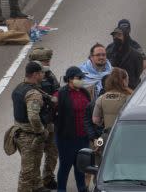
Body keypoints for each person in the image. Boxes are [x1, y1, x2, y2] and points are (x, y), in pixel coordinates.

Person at [12, 61, 50, 192]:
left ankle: (37, 186)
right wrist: (41, 131)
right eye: (41, 72)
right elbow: (33, 116)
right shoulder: (33, 94)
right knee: (27, 170)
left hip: (19, 132)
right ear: (35, 74)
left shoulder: (19, 87)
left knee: (35, 163)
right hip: (30, 136)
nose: (43, 75)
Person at [53, 67, 92, 192]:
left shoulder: (84, 92)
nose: (81, 80)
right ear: (70, 79)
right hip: (66, 138)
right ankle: (61, 189)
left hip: (83, 137)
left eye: (82, 78)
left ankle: (82, 188)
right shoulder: (61, 94)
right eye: (78, 78)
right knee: (65, 166)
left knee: (81, 165)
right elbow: (53, 113)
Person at [29, 48, 60, 189]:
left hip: (51, 120)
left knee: (53, 152)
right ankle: (35, 183)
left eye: (48, 60)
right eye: (44, 60)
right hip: (39, 122)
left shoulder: (49, 74)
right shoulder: (34, 79)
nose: (48, 62)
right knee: (36, 155)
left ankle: (48, 177)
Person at [91, 69, 132, 149]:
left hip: (107, 136)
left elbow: (95, 120)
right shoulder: (129, 98)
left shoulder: (101, 98)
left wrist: (102, 122)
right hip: (125, 136)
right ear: (123, 81)